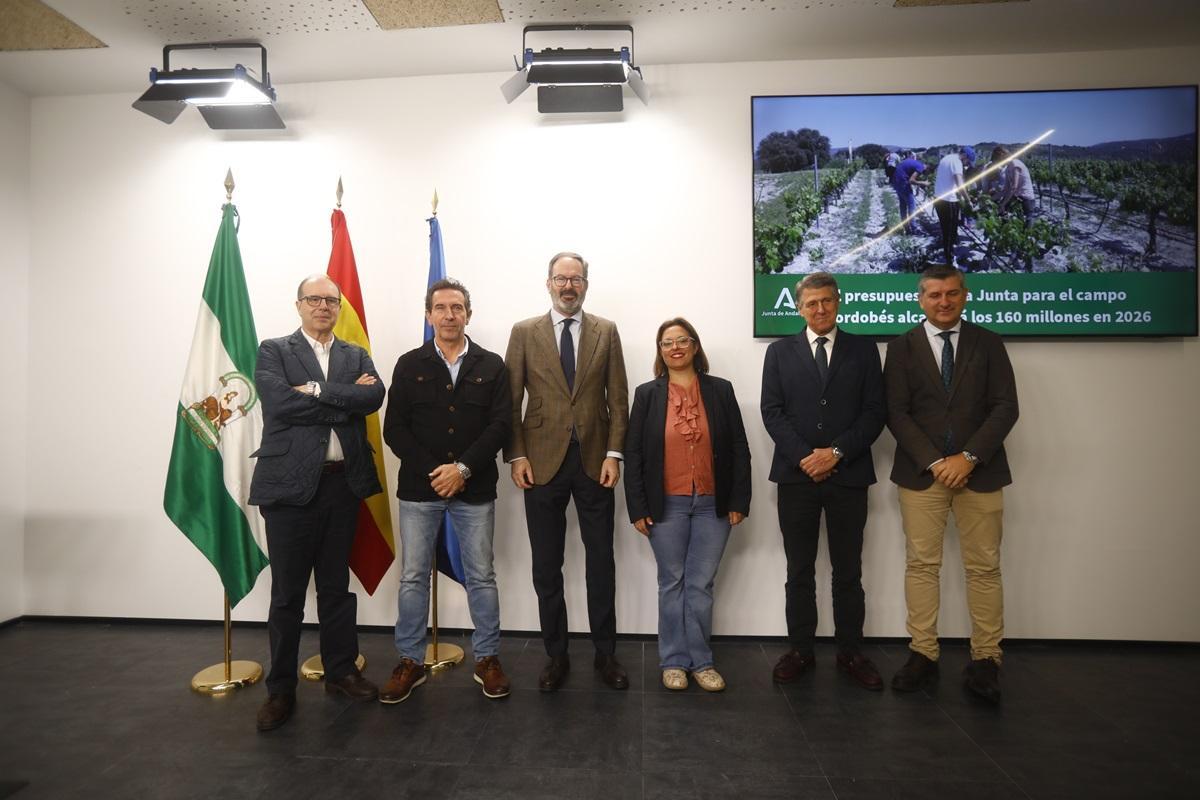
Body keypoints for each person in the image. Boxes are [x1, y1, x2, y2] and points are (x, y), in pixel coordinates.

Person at [249, 274, 386, 731]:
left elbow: (373, 397)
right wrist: (342, 401)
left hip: (340, 485)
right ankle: (281, 689)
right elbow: (279, 405)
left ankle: (341, 671)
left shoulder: (355, 353)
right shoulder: (274, 350)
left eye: (331, 300)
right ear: (299, 305)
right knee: (287, 595)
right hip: (288, 488)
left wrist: (317, 391)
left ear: (339, 306)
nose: (323, 306)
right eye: (314, 299)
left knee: (334, 588)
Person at [884, 265, 1019, 704]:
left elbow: (1005, 407)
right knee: (921, 565)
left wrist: (969, 457)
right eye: (935, 295)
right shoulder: (901, 348)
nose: (944, 302)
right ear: (920, 299)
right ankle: (923, 653)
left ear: (965, 296)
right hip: (922, 475)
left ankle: (986, 659)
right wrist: (936, 462)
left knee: (984, 567)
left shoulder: (989, 344)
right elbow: (896, 412)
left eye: (953, 294)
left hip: (981, 473)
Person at [380, 278, 512, 704]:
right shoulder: (408, 363)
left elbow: (501, 426)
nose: (449, 315)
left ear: (468, 315)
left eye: (457, 308)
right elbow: (393, 428)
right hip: (420, 491)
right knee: (414, 577)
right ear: (429, 314)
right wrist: (436, 472)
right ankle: (409, 662)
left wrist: (463, 469)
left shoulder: (492, 365)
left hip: (474, 489)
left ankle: (488, 659)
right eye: (441, 308)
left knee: (482, 577)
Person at [504, 252, 631, 691]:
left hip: (596, 463)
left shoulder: (606, 331)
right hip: (540, 464)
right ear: (548, 283)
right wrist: (517, 456)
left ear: (586, 284)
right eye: (561, 278)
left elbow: (619, 399)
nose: (569, 286)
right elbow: (510, 402)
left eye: (576, 279)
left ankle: (606, 654)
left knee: (601, 562)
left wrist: (615, 454)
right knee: (546, 566)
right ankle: (555, 656)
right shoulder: (523, 333)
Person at [760, 272, 886, 690]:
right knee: (799, 570)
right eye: (811, 303)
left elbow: (874, 412)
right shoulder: (779, 353)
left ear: (838, 303)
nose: (819, 309)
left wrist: (834, 453)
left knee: (848, 570)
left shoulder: (864, 350)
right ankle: (800, 651)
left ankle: (851, 652)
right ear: (799, 308)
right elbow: (772, 411)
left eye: (827, 302)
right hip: (796, 480)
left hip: (848, 475)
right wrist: (805, 457)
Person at [624, 318, 751, 692]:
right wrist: (637, 507)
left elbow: (739, 448)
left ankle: (702, 662)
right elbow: (634, 454)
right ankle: (674, 661)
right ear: (660, 352)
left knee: (700, 584)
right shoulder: (647, 394)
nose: (675, 347)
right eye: (667, 343)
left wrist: (738, 499)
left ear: (695, 346)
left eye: (682, 340)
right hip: (667, 504)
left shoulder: (721, 391)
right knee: (672, 582)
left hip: (714, 503)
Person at [932, 146, 976, 267]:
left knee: (945, 229)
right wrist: (968, 201)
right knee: (950, 232)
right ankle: (950, 261)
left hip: (938, 198)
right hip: (948, 201)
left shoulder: (947, 158)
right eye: (967, 161)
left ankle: (948, 254)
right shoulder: (957, 162)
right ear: (965, 156)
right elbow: (960, 184)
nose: (966, 164)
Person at [991, 146, 1037, 225]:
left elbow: (1014, 187)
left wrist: (1003, 204)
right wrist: (990, 199)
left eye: (998, 161)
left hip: (1026, 199)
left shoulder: (1015, 164)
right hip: (1018, 197)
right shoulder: (1008, 168)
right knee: (1007, 218)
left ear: (1002, 156)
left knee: (1027, 224)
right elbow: (1005, 190)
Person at [891, 151, 928, 235]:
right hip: (902, 182)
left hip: (895, 181)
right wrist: (923, 183)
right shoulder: (920, 167)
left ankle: (906, 228)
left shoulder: (915, 163)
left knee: (903, 205)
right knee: (912, 205)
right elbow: (911, 180)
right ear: (928, 168)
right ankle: (914, 228)